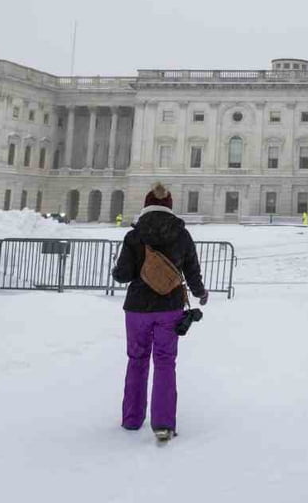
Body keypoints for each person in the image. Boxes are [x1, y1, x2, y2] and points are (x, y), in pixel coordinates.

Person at [112, 183, 207, 441]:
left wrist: (122, 265)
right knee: (165, 363)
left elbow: (122, 275)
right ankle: (163, 424)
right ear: (170, 206)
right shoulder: (181, 235)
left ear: (145, 205)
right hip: (169, 307)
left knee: (137, 361)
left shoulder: (134, 236)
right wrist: (200, 293)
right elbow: (192, 271)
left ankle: (132, 419)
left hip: (137, 309)